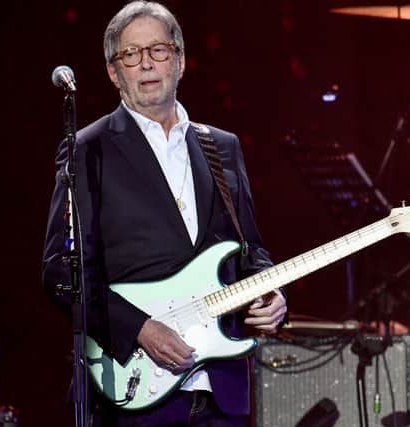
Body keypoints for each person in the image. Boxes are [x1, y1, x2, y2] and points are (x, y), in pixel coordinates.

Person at [42, 1, 287, 425]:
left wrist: (272, 297)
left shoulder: (222, 146)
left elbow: (250, 252)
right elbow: (62, 271)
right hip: (135, 390)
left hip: (221, 390)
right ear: (114, 73)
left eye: (158, 50)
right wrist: (139, 328)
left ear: (181, 60)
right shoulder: (89, 149)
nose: (147, 64)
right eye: (131, 55)